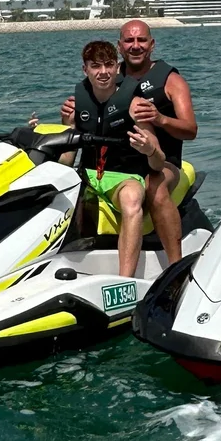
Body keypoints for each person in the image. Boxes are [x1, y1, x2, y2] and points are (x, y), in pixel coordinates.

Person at [62, 19, 197, 261]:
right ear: (120, 46)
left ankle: (175, 266)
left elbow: (191, 130)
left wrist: (160, 118)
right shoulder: (110, 73)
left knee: (154, 187)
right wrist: (72, 114)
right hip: (117, 164)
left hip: (162, 162)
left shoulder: (170, 80)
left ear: (152, 44)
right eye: (129, 40)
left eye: (141, 40)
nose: (135, 46)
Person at [68, 40, 168, 277]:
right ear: (85, 69)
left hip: (123, 178)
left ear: (117, 67)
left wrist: (149, 150)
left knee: (132, 200)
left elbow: (159, 162)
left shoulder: (135, 106)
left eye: (109, 65)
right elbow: (66, 159)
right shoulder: (75, 106)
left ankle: (125, 281)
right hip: (87, 176)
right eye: (96, 66)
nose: (103, 72)